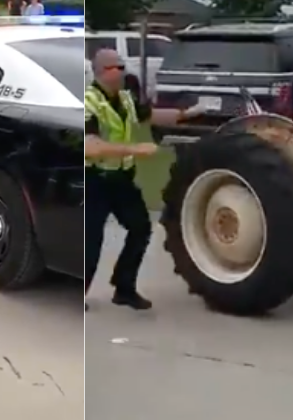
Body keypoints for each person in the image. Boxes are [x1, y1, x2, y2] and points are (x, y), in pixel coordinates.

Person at [84, 49, 208, 311]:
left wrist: (186, 113)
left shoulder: (125, 98)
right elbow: (89, 147)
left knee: (141, 228)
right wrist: (135, 150)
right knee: (91, 239)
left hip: (122, 180)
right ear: (104, 70)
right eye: (118, 67)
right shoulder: (89, 102)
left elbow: (149, 115)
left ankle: (124, 287)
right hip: (95, 179)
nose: (123, 71)